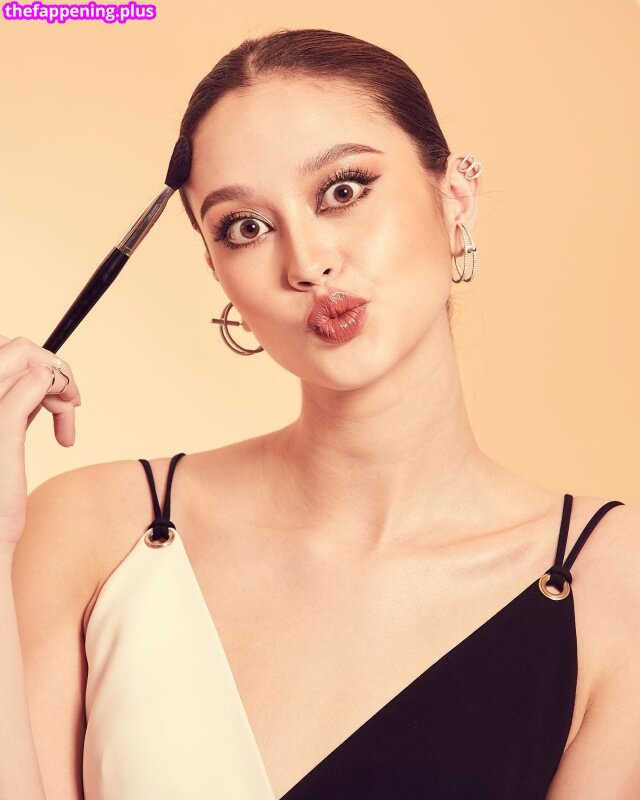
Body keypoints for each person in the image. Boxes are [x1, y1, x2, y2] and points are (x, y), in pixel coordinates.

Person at [2, 26, 639, 800]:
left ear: (454, 197)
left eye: (343, 190)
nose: (306, 264)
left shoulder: (614, 580)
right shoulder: (91, 531)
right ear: (218, 271)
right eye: (247, 227)